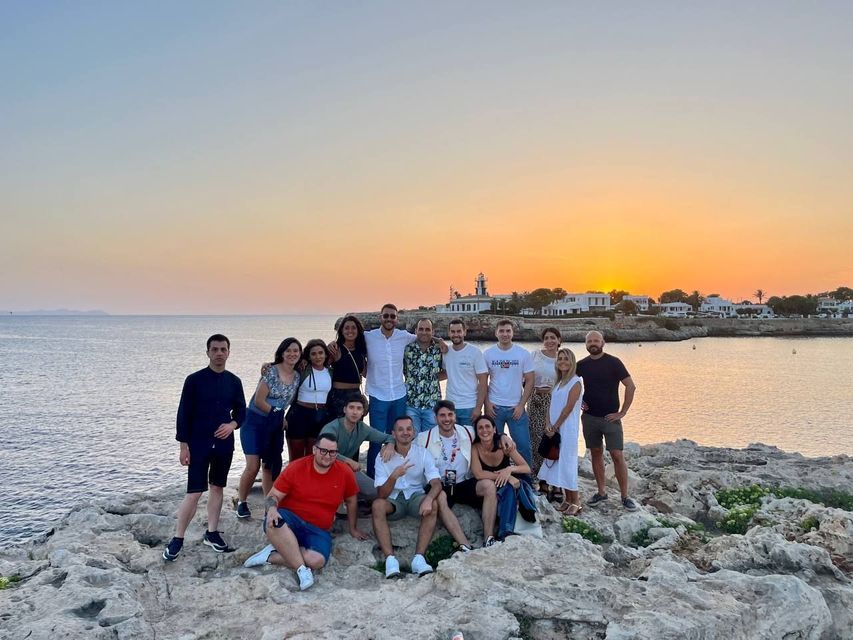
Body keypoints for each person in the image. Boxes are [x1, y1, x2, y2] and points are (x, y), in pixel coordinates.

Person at [243, 433, 368, 590]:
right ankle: (302, 570)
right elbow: (272, 496)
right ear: (314, 449)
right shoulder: (297, 467)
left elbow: (351, 500)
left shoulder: (344, 472)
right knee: (273, 521)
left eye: (333, 452)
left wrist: (353, 528)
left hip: (317, 528)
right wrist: (273, 508)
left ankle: (272, 555)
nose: (328, 456)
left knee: (317, 561)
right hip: (290, 520)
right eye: (323, 451)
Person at [163, 334, 246, 561]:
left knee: (217, 487)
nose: (219, 353)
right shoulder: (194, 380)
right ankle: (178, 538)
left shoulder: (234, 381)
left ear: (229, 352)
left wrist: (232, 425)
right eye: (215, 349)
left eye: (223, 349)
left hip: (223, 444)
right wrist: (183, 446)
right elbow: (183, 414)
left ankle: (212, 532)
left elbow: (241, 412)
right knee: (195, 491)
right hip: (198, 443)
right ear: (208, 352)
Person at [417, 400, 500, 550]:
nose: (447, 419)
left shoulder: (467, 432)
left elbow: (487, 433)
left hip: (462, 483)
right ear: (436, 418)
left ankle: (489, 538)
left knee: (488, 485)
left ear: (455, 416)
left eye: (450, 414)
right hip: (439, 485)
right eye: (442, 415)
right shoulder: (424, 438)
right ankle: (464, 545)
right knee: (440, 496)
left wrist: (503, 436)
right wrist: (389, 444)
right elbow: (404, 443)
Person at [235, 338, 301, 520]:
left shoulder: (297, 376)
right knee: (253, 465)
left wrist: (282, 418)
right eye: (288, 350)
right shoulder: (271, 372)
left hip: (275, 424)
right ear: (282, 352)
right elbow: (259, 400)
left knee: (269, 466)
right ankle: (241, 502)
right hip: (255, 422)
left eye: (296, 351)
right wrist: (277, 414)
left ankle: (268, 504)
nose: (292, 354)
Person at [371, 415, 442, 578]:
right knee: (377, 505)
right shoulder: (383, 456)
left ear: (414, 432)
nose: (405, 433)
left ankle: (419, 558)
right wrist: (394, 476)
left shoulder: (422, 453)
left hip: (415, 496)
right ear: (393, 434)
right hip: (393, 499)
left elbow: (436, 483)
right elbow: (381, 494)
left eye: (408, 429)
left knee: (434, 504)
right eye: (400, 429)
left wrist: (429, 499)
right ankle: (390, 559)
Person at [576, 331, 638, 511]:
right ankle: (601, 492)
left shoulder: (614, 362)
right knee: (595, 453)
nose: (593, 343)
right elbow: (568, 384)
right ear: (586, 344)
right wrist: (579, 401)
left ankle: (625, 496)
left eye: (596, 340)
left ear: (603, 342)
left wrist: (622, 412)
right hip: (589, 418)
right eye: (589, 341)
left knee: (617, 455)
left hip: (611, 418)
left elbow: (630, 386)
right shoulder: (581, 365)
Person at [470, 415, 536, 543]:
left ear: (494, 429)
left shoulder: (504, 444)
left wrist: (509, 470)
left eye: (488, 426)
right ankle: (504, 531)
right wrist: (505, 477)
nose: (484, 430)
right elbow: (478, 474)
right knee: (507, 487)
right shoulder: (475, 448)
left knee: (509, 488)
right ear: (477, 432)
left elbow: (526, 468)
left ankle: (505, 531)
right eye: (480, 428)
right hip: (491, 484)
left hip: (510, 483)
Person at [318, 392, 395, 499]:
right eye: (351, 408)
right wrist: (348, 461)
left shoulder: (362, 428)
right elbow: (324, 451)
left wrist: (390, 445)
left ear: (363, 412)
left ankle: (354, 496)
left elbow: (388, 437)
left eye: (359, 409)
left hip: (346, 470)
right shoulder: (332, 428)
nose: (354, 412)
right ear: (345, 409)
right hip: (324, 469)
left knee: (376, 492)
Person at [537, 348, 583, 515]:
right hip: (554, 428)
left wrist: (556, 426)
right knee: (559, 464)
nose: (562, 361)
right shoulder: (558, 383)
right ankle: (567, 499)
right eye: (560, 359)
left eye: (566, 359)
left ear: (572, 362)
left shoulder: (575, 382)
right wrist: (548, 424)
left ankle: (576, 502)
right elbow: (551, 406)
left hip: (567, 429)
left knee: (568, 463)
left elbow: (568, 408)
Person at [483, 320, 535, 466]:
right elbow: (482, 381)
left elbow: (530, 380)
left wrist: (521, 405)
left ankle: (526, 480)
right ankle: (496, 477)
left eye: (508, 331)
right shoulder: (488, 354)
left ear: (512, 333)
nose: (505, 334)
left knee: (523, 446)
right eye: (501, 331)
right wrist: (487, 404)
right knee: (493, 446)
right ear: (496, 333)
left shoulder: (523, 354)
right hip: (494, 408)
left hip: (515, 410)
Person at [285, 339, 332, 461]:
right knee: (296, 458)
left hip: (320, 416)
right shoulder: (302, 368)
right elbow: (284, 366)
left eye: (320, 353)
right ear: (308, 356)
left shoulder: (330, 371)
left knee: (313, 457)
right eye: (313, 354)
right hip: (299, 415)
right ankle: (293, 480)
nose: (318, 357)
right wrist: (267, 365)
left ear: (326, 354)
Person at [528, 327, 561, 491]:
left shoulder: (562, 359)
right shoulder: (534, 355)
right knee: (536, 439)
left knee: (553, 439)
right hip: (535, 399)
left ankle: (554, 481)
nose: (549, 341)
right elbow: (525, 377)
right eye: (546, 338)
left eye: (553, 338)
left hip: (554, 401)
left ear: (559, 340)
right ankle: (539, 478)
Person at [441, 318, 488, 427]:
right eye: (452, 332)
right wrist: (439, 340)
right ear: (449, 333)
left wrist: (478, 408)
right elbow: (447, 373)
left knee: (469, 441)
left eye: (459, 331)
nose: (455, 334)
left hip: (470, 407)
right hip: (450, 407)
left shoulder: (475, 352)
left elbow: (483, 382)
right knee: (452, 442)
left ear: (464, 332)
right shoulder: (446, 352)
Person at [404, 318, 444, 432]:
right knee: (413, 440)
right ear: (416, 331)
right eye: (421, 329)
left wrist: (431, 378)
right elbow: (401, 369)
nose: (424, 332)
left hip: (432, 404)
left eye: (427, 329)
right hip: (411, 404)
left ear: (433, 331)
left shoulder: (439, 349)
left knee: (430, 441)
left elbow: (446, 371)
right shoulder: (407, 349)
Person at [327, 315, 367, 418]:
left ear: (358, 330)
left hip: (356, 395)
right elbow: (321, 366)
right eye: (347, 328)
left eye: (354, 328)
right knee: (338, 430)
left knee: (355, 430)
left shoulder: (361, 350)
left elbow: (366, 373)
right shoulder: (335, 348)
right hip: (339, 396)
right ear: (341, 331)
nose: (350, 331)